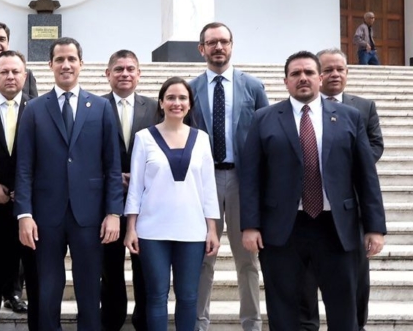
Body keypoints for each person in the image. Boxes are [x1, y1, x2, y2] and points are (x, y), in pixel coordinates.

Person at [240, 51, 387, 331]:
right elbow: (251, 177)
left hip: (336, 227)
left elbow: (365, 176)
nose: (302, 78)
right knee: (283, 307)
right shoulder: (264, 118)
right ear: (285, 81)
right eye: (295, 74)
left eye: (308, 72)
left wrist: (375, 227)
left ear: (319, 78)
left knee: (343, 305)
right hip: (283, 228)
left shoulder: (349, 117)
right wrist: (250, 225)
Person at [14, 37, 124, 330]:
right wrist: (24, 215)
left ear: (81, 64)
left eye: (71, 59)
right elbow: (24, 167)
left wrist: (114, 212)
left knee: (89, 289)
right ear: (50, 65)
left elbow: (113, 165)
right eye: (60, 59)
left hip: (89, 215)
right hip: (45, 216)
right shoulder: (34, 109)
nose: (66, 65)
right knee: (48, 290)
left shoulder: (101, 108)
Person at [124, 77, 220, 331]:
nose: (176, 103)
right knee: (156, 296)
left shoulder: (201, 139)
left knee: (188, 297)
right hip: (151, 229)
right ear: (161, 102)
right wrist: (131, 227)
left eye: (182, 98)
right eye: (171, 97)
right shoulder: (144, 138)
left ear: (190, 104)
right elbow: (135, 187)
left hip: (192, 229)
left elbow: (209, 188)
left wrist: (212, 229)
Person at [189, 22, 268, 331]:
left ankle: (252, 323)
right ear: (202, 49)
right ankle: (198, 323)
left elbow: (266, 135)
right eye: (212, 43)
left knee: (247, 259)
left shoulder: (253, 86)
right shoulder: (191, 88)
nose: (218, 47)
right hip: (203, 183)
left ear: (232, 45)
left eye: (223, 41)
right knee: (201, 259)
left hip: (241, 181)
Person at [299, 47, 385, 331]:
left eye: (340, 69)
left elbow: (374, 145)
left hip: (350, 209)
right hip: (307, 212)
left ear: (348, 73)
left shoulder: (362, 107)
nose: (335, 74)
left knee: (354, 282)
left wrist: (344, 165)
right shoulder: (298, 110)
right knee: (306, 283)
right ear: (318, 75)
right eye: (328, 69)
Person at [0, 50, 39, 331]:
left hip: (32, 211)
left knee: (36, 280)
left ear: (25, 76)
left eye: (16, 72)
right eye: (4, 72)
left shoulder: (40, 109)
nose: (10, 76)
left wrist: (27, 192)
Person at [99, 49, 158, 331]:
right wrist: (111, 177)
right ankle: (112, 320)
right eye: (119, 69)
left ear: (139, 74)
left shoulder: (155, 107)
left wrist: (138, 177)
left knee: (144, 268)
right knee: (109, 269)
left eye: (130, 68)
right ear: (107, 74)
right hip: (105, 203)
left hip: (146, 203)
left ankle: (143, 321)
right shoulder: (94, 107)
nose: (125, 73)